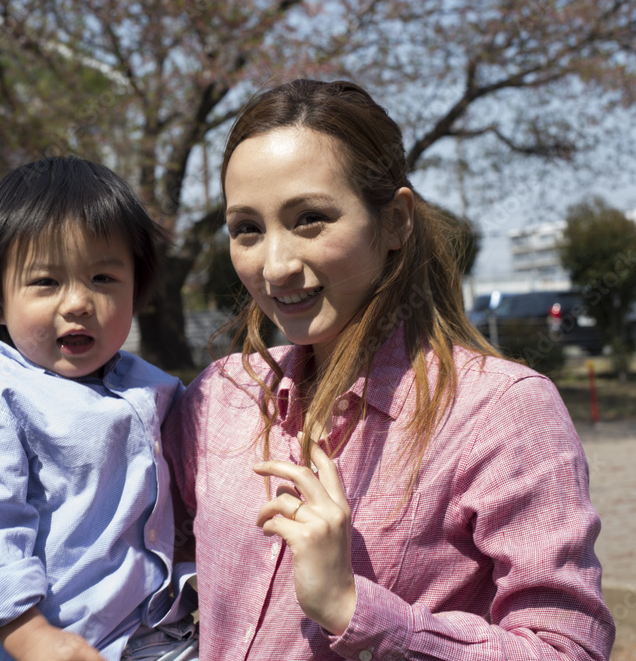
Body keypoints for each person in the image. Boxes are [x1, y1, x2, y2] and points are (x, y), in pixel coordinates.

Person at [162, 79, 615, 660]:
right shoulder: (220, 396)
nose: (274, 266)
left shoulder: (501, 412)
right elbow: (134, 565)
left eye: (310, 219)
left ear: (396, 220)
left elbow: (567, 649)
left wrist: (355, 611)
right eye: (247, 228)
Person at [0, 157, 198, 661]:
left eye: (104, 278)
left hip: (157, 640)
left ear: (137, 289)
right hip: (38, 645)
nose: (78, 303)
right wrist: (33, 638)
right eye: (45, 282)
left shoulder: (156, 391)